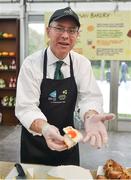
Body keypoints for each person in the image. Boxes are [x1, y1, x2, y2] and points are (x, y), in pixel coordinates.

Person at [15, 7, 115, 166]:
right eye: (59, 28)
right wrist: (45, 128)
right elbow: (26, 107)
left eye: (72, 30)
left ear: (77, 35)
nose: (65, 35)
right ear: (48, 31)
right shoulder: (31, 64)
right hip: (35, 143)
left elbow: (89, 97)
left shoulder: (81, 63)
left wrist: (90, 116)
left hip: (69, 142)